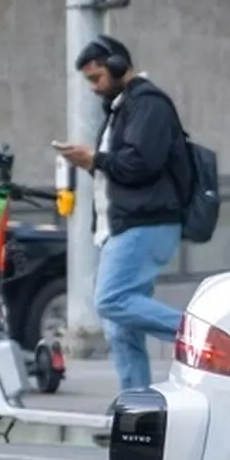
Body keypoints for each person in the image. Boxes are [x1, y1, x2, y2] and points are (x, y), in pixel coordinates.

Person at [51, 35, 191, 386]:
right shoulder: (122, 108)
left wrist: (94, 158)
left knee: (111, 300)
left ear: (118, 67)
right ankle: (135, 404)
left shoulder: (148, 105)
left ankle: (202, 340)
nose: (94, 87)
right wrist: (92, 162)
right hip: (124, 224)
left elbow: (141, 163)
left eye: (97, 78)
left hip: (144, 223)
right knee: (121, 329)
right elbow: (122, 169)